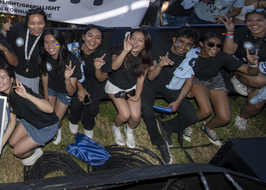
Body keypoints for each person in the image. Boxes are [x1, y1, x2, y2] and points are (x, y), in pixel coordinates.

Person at [188, 33, 259, 145]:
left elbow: (251, 72)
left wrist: (253, 65)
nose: (214, 48)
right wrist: (188, 88)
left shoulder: (222, 56)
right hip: (196, 81)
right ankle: (187, 123)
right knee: (206, 111)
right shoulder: (192, 54)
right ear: (201, 44)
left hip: (215, 81)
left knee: (224, 118)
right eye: (211, 44)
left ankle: (207, 127)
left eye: (218, 46)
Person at [142, 27, 200, 164]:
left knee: (191, 115)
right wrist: (161, 65)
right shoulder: (159, 49)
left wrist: (179, 100)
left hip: (172, 86)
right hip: (151, 84)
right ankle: (159, 141)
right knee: (147, 110)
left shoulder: (192, 56)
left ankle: (167, 127)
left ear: (193, 46)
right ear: (174, 40)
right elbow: (150, 77)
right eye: (180, 42)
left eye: (188, 45)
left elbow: (189, 81)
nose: (183, 47)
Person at [0, 64, 58, 166]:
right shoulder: (6, 96)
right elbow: (12, 122)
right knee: (12, 143)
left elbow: (50, 109)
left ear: (11, 80)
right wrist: (0, 145)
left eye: (3, 77)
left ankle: (35, 152)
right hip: (30, 120)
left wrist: (27, 95)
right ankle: (31, 145)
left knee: (17, 152)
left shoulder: (21, 92)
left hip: (47, 126)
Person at [221, 12, 266, 131]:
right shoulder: (242, 32)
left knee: (256, 104)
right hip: (239, 66)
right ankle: (243, 81)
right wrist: (230, 31)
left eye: (259, 20)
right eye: (250, 20)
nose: (254, 23)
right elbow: (228, 52)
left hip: (262, 70)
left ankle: (242, 116)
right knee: (261, 81)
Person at [108, 29, 153, 148]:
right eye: (133, 38)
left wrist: (137, 96)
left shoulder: (145, 57)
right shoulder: (118, 49)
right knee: (124, 115)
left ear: (145, 44)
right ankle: (116, 127)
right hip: (115, 85)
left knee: (136, 116)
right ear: (128, 38)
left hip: (131, 86)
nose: (135, 42)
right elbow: (114, 67)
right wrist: (125, 51)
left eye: (140, 40)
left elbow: (141, 78)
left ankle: (129, 130)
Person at [39, 29, 84, 145]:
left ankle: (58, 128)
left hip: (65, 91)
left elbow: (71, 93)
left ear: (61, 42)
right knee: (48, 114)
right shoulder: (44, 56)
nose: (50, 46)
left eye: (54, 42)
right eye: (46, 42)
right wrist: (45, 95)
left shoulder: (72, 60)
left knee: (56, 120)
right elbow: (44, 75)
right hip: (51, 88)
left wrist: (67, 79)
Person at [68, 25, 112, 139]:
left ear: (101, 41)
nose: (93, 40)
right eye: (90, 35)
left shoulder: (104, 54)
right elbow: (71, 72)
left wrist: (98, 68)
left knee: (92, 106)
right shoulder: (73, 49)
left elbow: (101, 79)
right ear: (83, 36)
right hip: (77, 76)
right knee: (76, 103)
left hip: (96, 77)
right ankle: (73, 120)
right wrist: (81, 89)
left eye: (98, 37)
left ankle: (88, 125)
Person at [4, 8, 47, 94]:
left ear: (45, 23)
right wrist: (4, 30)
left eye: (40, 23)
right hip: (14, 74)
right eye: (32, 23)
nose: (36, 27)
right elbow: (5, 40)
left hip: (33, 80)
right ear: (27, 23)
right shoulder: (19, 28)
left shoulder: (47, 37)